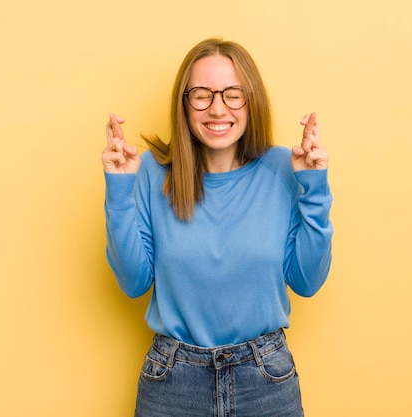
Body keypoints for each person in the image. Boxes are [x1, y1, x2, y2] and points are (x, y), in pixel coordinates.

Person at [101, 37, 333, 417]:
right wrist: (119, 191)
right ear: (185, 103)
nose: (217, 108)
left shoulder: (284, 168)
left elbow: (307, 281)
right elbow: (133, 283)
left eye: (232, 94)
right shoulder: (149, 172)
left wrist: (314, 187)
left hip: (266, 380)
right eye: (202, 95)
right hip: (173, 383)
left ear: (251, 100)